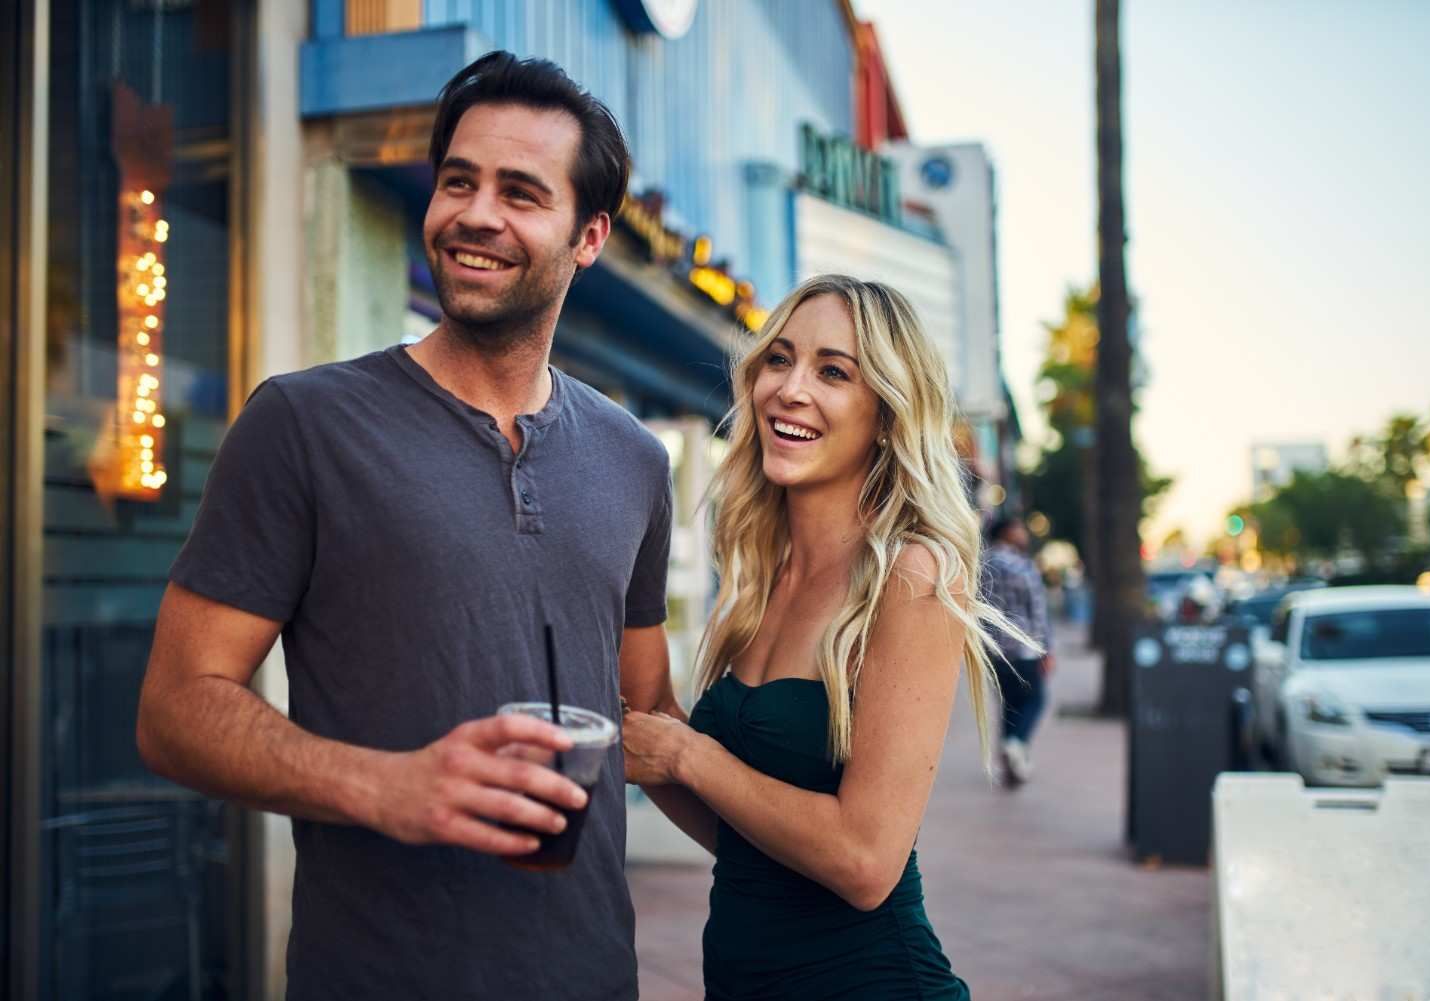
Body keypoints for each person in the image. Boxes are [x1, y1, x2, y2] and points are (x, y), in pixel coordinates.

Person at [135, 52, 681, 1001]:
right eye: (459, 180)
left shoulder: (635, 459)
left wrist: (807, 828)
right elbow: (176, 708)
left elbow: (644, 721)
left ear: (588, 237)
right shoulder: (303, 424)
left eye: (521, 192)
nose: (476, 213)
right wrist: (388, 785)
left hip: (593, 975)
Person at [621, 275, 1038, 1000]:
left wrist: (687, 752)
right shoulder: (760, 572)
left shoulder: (910, 574)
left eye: (834, 371)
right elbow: (745, 837)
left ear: (884, 414)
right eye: (778, 359)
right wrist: (651, 736)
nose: (790, 388)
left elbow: (866, 859)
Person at [980, 514, 1055, 786]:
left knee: (1009, 703)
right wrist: (1047, 649)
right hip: (1025, 646)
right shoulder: (1023, 566)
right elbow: (1038, 610)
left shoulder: (983, 565)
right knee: (1036, 699)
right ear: (1008, 532)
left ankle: (1010, 764)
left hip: (994, 649)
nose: (1024, 533)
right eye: (1020, 528)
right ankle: (1016, 743)